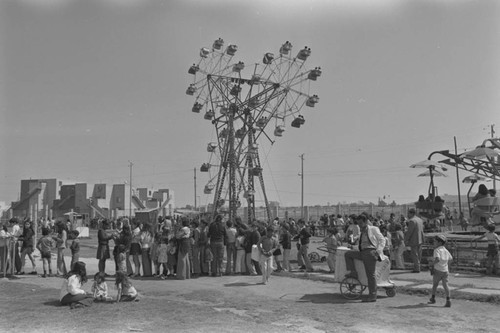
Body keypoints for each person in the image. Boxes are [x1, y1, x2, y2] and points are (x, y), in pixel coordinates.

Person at [344, 214, 387, 302]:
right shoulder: (361, 231)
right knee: (348, 254)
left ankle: (372, 295)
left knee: (370, 275)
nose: (359, 225)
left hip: (370, 252)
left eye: (360, 223)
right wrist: (353, 247)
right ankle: (353, 273)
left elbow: (382, 239)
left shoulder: (373, 229)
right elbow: (361, 245)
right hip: (363, 252)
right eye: (358, 223)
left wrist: (378, 251)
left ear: (366, 221)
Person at [428, 235, 453, 307]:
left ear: (439, 242)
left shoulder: (437, 250)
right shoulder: (446, 250)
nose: (434, 243)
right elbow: (451, 259)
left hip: (438, 270)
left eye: (435, 241)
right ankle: (448, 300)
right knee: (446, 285)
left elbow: (437, 259)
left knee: (435, 285)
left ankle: (433, 298)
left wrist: (431, 263)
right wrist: (447, 266)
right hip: (445, 270)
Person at [404, 208, 425, 273]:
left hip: (414, 239)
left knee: (414, 254)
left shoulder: (412, 221)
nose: (408, 215)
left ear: (411, 213)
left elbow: (409, 232)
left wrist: (406, 239)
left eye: (409, 214)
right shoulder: (420, 220)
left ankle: (417, 268)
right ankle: (418, 266)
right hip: (420, 239)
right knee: (419, 254)